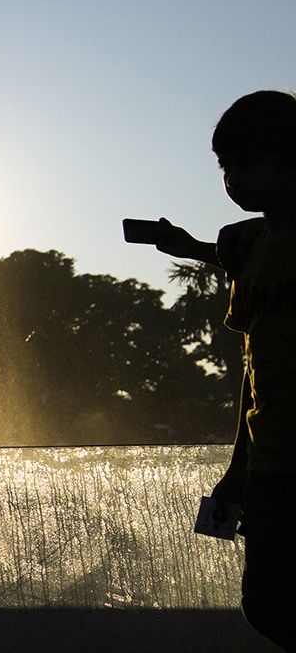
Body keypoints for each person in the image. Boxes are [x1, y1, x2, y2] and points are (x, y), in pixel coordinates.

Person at [148, 91, 296, 650]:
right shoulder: (251, 251)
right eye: (225, 166)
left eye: (249, 162)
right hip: (273, 463)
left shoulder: (252, 243)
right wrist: (240, 468)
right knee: (266, 606)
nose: (233, 179)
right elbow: (255, 373)